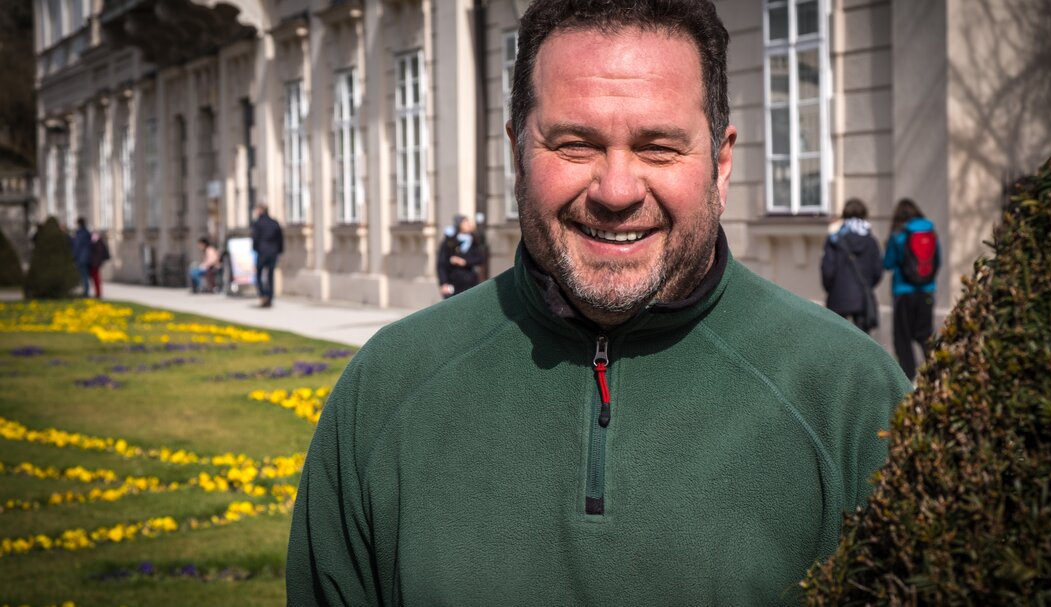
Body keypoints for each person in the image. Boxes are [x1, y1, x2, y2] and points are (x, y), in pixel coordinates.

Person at [286, 1, 911, 604]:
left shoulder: (850, 399)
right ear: (516, 154)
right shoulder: (388, 387)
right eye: (575, 144)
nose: (616, 191)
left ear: (720, 165)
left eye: (658, 147)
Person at [883, 197, 940, 380]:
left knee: (903, 339)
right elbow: (937, 261)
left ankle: (908, 379)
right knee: (926, 335)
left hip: (903, 293)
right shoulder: (930, 232)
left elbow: (888, 263)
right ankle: (937, 373)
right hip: (927, 291)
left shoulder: (898, 235)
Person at [820, 198, 883, 333]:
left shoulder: (834, 239)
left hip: (838, 298)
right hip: (862, 300)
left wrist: (831, 289)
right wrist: (867, 285)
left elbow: (827, 270)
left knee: (837, 340)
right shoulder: (871, 241)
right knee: (861, 341)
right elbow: (878, 270)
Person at [436, 213, 487, 298]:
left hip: (471, 282)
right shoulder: (450, 242)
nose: (468, 225)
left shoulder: (473, 240)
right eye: (465, 222)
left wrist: (465, 262)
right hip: (454, 282)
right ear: (459, 225)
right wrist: (443, 282)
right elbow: (442, 264)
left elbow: (480, 258)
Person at [251, 203, 283, 308]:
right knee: (270, 275)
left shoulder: (258, 223)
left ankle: (263, 294)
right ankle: (270, 298)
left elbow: (255, 239)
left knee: (258, 274)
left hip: (262, 252)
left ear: (261, 211)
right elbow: (280, 239)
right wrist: (279, 251)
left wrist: (255, 249)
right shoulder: (274, 223)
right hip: (273, 252)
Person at [72, 218, 92, 298]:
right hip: (86, 258)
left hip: (81, 258)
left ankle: (85, 292)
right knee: (85, 276)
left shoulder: (80, 233)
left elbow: (77, 246)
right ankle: (85, 291)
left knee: (83, 276)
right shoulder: (87, 233)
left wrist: (73, 256)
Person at [88, 231, 111, 299]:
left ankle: (98, 293)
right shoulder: (97, 241)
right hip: (95, 263)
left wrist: (95, 262)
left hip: (95, 263)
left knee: (96, 279)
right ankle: (97, 293)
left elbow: (98, 253)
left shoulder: (96, 241)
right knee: (95, 279)